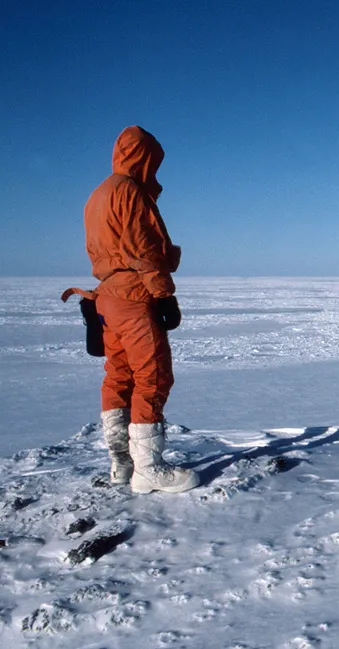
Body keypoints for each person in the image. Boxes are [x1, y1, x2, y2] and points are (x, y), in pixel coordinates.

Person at [63, 126, 198, 494]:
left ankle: (121, 464)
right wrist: (164, 294)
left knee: (119, 376)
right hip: (134, 294)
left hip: (108, 297)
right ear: (143, 157)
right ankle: (149, 469)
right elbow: (144, 249)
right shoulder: (130, 192)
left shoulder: (98, 195)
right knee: (152, 376)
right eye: (153, 162)